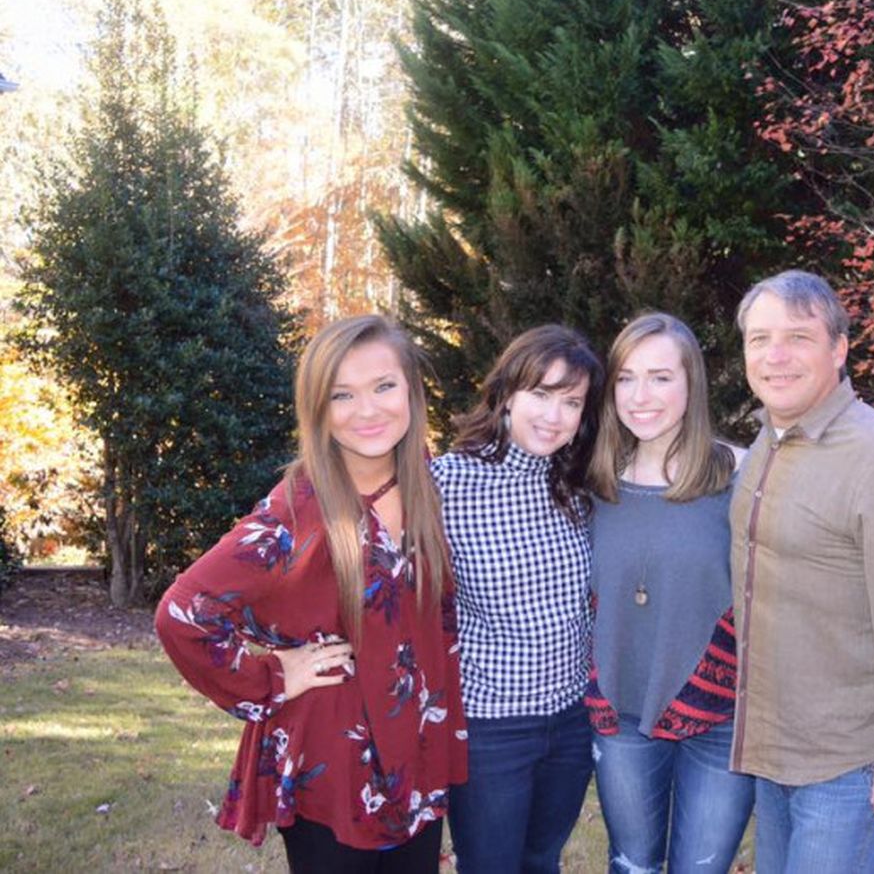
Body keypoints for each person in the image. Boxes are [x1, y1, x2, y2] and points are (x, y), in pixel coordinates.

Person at [155, 315, 466, 873]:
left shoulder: (427, 481)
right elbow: (183, 614)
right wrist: (273, 676)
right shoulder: (297, 510)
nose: (367, 410)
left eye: (384, 386)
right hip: (333, 763)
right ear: (318, 408)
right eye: (342, 395)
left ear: (412, 391)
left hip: (416, 753)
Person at [729, 270, 874, 873]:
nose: (775, 355)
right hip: (773, 757)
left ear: (838, 349)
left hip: (846, 769)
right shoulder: (765, 447)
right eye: (759, 339)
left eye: (798, 337)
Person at [584, 312, 755, 873]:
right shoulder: (593, 479)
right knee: (632, 864)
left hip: (721, 715)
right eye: (626, 378)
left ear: (691, 383)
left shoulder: (741, 475)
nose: (641, 397)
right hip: (622, 711)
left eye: (660, 377)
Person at [431, 324, 604, 874]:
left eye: (572, 402)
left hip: (571, 722)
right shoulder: (444, 484)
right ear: (506, 393)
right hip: (491, 727)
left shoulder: (579, 485)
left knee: (541, 861)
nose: (555, 415)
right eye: (542, 394)